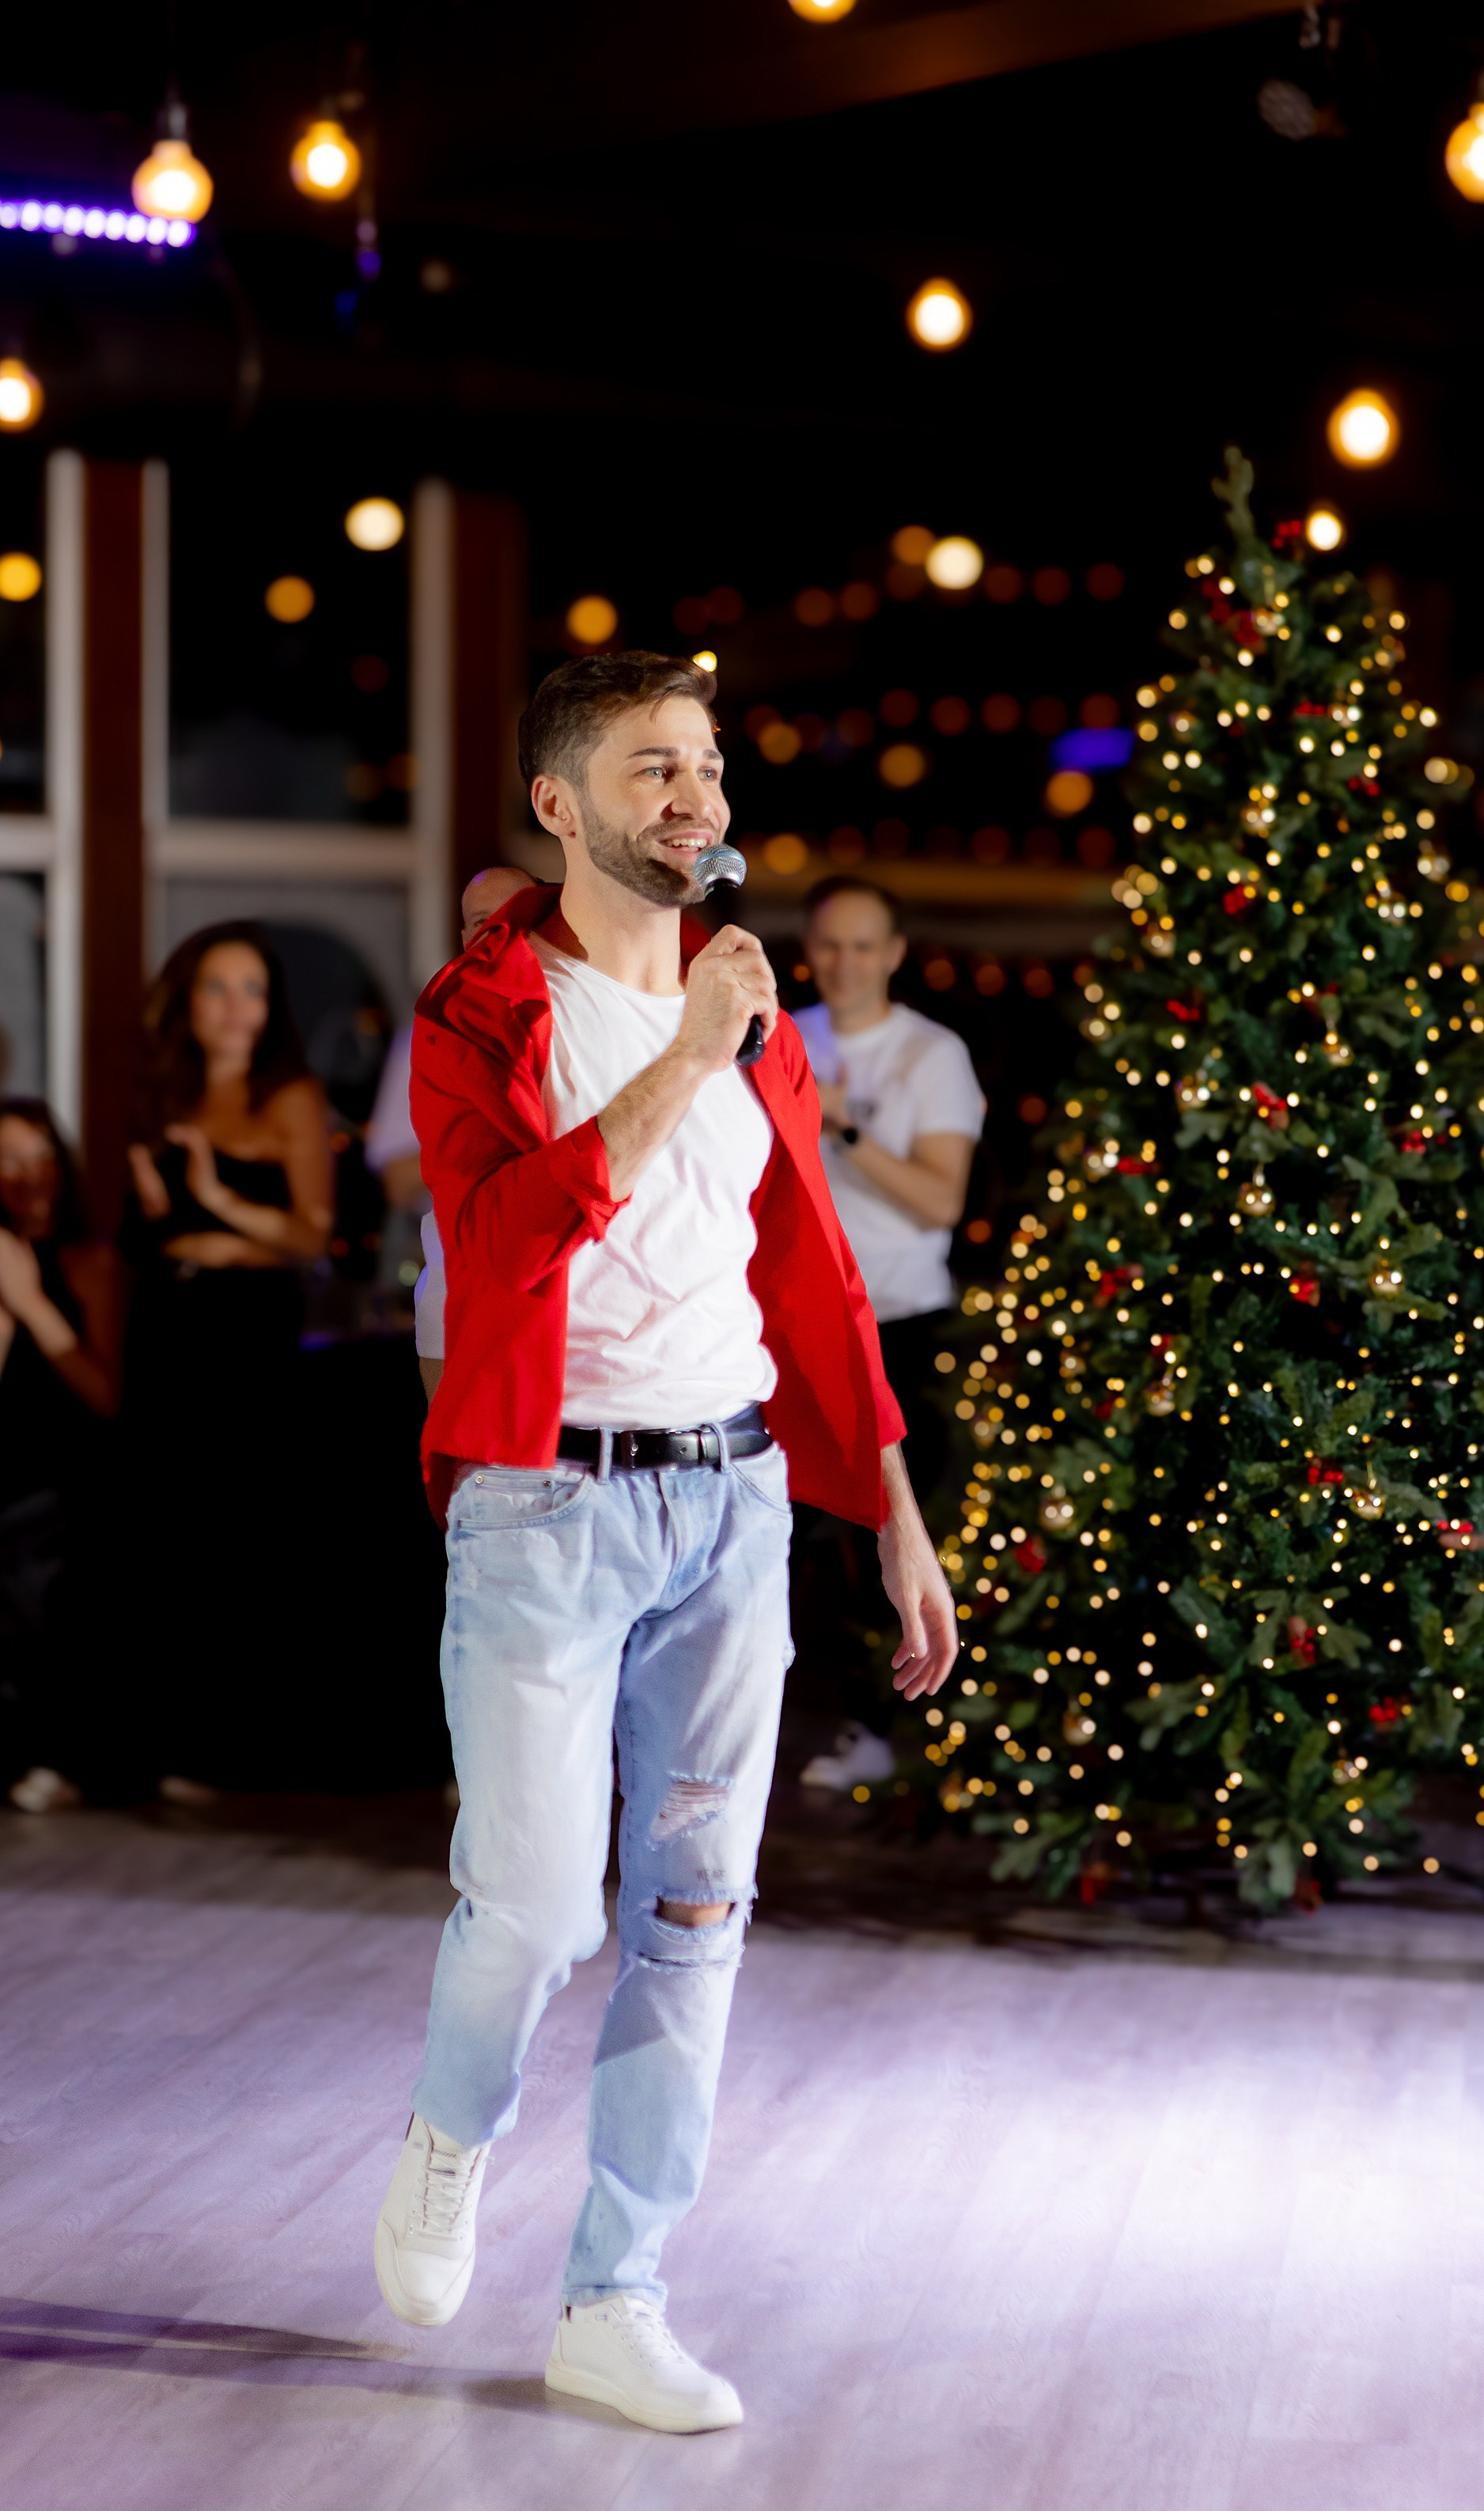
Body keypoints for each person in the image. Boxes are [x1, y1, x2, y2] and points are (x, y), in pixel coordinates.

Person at [374, 650, 956, 2433]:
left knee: (694, 1910)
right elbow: (497, 1241)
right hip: (546, 1502)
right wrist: (682, 1058)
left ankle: (615, 2296)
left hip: (733, 1501)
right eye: (650, 769)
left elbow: (817, 1272)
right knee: (538, 1905)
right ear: (560, 805)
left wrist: (897, 1513)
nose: (692, 797)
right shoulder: (481, 1017)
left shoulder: (752, 1008)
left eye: (701, 764)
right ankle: (450, 2135)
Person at [123, 923, 334, 1794]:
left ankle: (232, 1750)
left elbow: (309, 1234)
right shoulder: (164, 1089)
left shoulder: (288, 1095)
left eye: (251, 987)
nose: (235, 1006)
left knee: (237, 1533)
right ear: (189, 998)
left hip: (247, 1336)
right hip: (172, 1328)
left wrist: (213, 1199)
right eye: (218, 986)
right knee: (167, 1536)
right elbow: (150, 1236)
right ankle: (164, 1745)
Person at [789, 876, 984, 1794]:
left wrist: (841, 1123)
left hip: (905, 1320)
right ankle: (832, 1721)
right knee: (792, 1536)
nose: (845, 963)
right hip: (794, 1318)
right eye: (830, 944)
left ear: (896, 952)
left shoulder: (932, 1055)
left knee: (897, 1532)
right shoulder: (781, 1033)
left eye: (864, 945)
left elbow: (942, 1197)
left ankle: (895, 1731)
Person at [364, 866, 536, 1402]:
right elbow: (398, 1179)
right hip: (456, 1281)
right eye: (482, 922)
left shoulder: (583, 1017)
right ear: (464, 939)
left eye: (515, 918)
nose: (498, 933)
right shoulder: (435, 1025)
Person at [0, 1100, 123, 1813]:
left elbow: (103, 1393)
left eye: (41, 1158)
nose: (29, 1177)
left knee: (36, 1561)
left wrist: (30, 1301)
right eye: (10, 1161)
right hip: (7, 1462)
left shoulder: (89, 1261)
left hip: (68, 1468)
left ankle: (57, 1754)